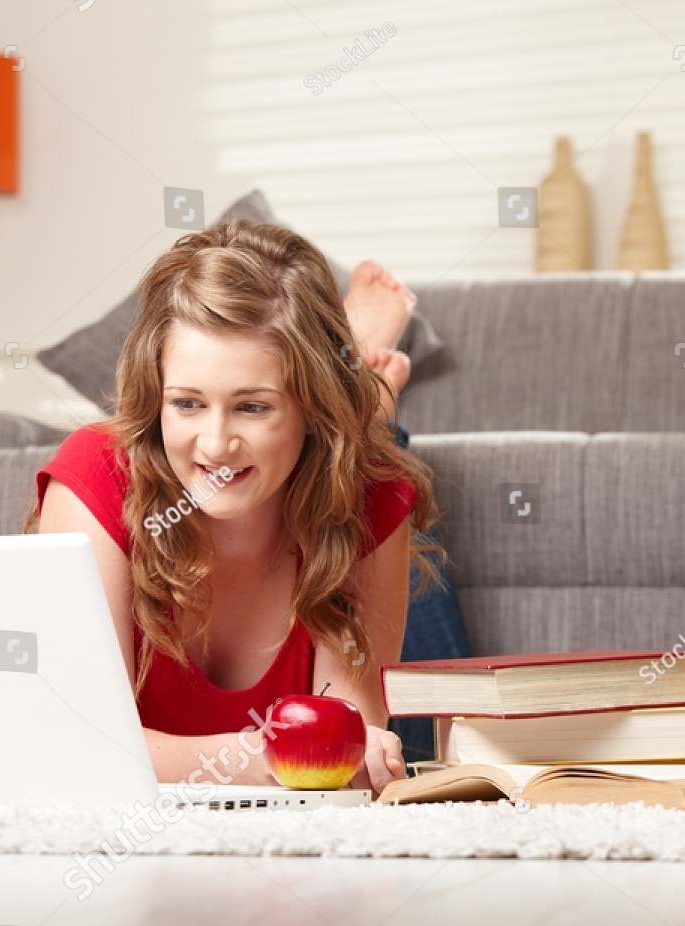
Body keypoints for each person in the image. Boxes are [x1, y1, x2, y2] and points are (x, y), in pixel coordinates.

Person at [32, 220, 445, 793]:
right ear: (156, 397)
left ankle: (366, 399)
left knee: (371, 465)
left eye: (252, 407)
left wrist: (326, 753)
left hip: (332, 464)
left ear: (310, 407)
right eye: (187, 403)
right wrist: (260, 756)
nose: (216, 444)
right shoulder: (96, 478)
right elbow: (76, 744)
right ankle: (366, 390)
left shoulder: (367, 495)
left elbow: (351, 757)